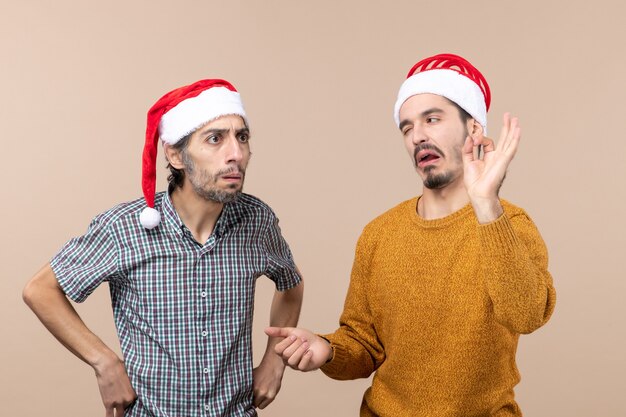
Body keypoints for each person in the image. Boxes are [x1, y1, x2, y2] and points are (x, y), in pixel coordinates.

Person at [266, 53, 556, 416]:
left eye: (432, 119)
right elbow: (364, 344)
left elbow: (527, 316)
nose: (417, 136)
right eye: (406, 127)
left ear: (474, 130)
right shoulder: (379, 234)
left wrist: (485, 204)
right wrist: (326, 349)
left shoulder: (509, 224)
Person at [23, 79, 303, 417]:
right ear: (174, 154)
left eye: (241, 137)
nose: (236, 154)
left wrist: (275, 360)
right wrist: (104, 362)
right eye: (215, 139)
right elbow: (40, 290)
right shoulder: (124, 228)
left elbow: (291, 284)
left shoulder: (256, 221)